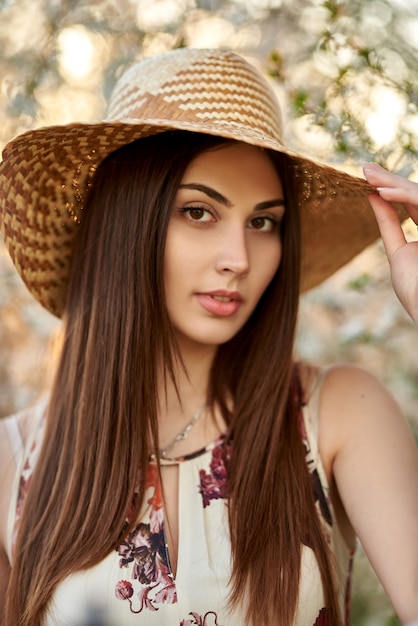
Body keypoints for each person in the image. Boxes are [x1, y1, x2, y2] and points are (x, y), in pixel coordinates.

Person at [0, 47, 416, 626]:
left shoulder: (337, 413)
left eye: (263, 221)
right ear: (127, 220)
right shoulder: (14, 463)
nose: (238, 259)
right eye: (198, 212)